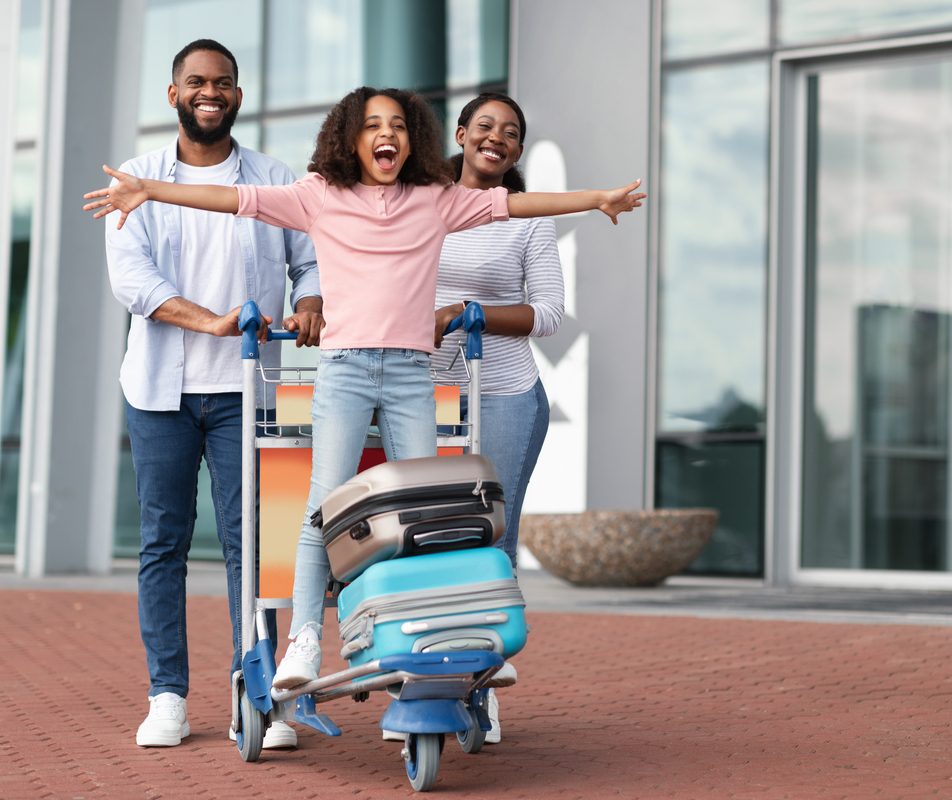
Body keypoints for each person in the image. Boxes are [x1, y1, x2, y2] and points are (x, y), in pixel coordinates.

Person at [84, 85, 645, 717]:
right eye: (374, 125)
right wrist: (151, 189)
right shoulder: (318, 197)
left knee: (431, 508)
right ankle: (302, 641)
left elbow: (518, 205)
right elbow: (231, 199)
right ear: (351, 138)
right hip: (345, 372)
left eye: (400, 125)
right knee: (322, 508)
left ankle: (441, 631)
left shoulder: (437, 201)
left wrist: (596, 200)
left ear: (415, 140)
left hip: (412, 376)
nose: (388, 134)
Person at [102, 39, 323, 750]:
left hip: (250, 390)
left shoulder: (272, 178)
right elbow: (131, 281)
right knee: (162, 545)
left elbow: (310, 257)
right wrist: (210, 321)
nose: (210, 92)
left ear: (237, 94)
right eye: (196, 82)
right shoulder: (136, 178)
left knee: (253, 548)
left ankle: (252, 693)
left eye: (223, 83)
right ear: (174, 94)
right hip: (160, 392)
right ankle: (167, 695)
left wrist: (313, 298)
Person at [431, 93, 561, 744]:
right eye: (485, 126)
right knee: (430, 535)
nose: (497, 137)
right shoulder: (421, 202)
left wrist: (464, 312)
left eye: (510, 133)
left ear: (515, 151)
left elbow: (550, 313)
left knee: (491, 536)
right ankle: (431, 673)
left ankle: (482, 678)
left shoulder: (526, 218)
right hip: (425, 392)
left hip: (506, 391)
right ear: (461, 134)